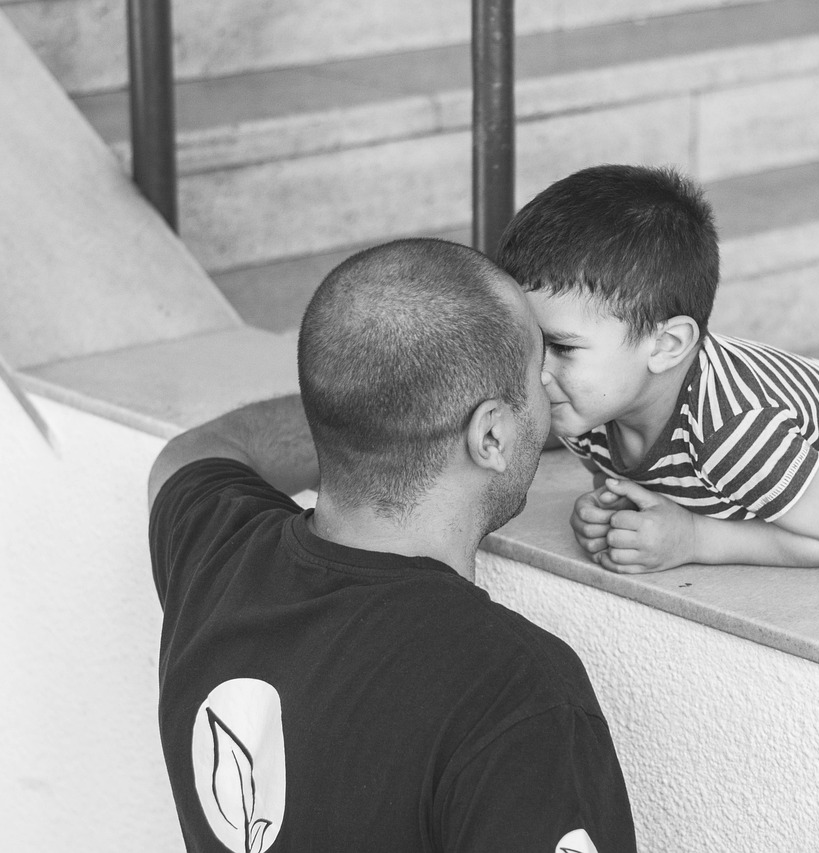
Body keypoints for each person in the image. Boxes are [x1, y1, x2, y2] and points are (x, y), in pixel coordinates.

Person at [147, 238, 637, 853]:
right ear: (491, 434)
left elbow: (189, 454)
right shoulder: (514, 690)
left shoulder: (214, 553)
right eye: (537, 374)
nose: (551, 392)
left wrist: (372, 402)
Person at [496, 164, 819, 574]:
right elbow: (649, 487)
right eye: (528, 339)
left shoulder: (732, 429)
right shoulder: (584, 402)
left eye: (562, 346)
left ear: (667, 345)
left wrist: (693, 539)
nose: (536, 368)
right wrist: (614, 517)